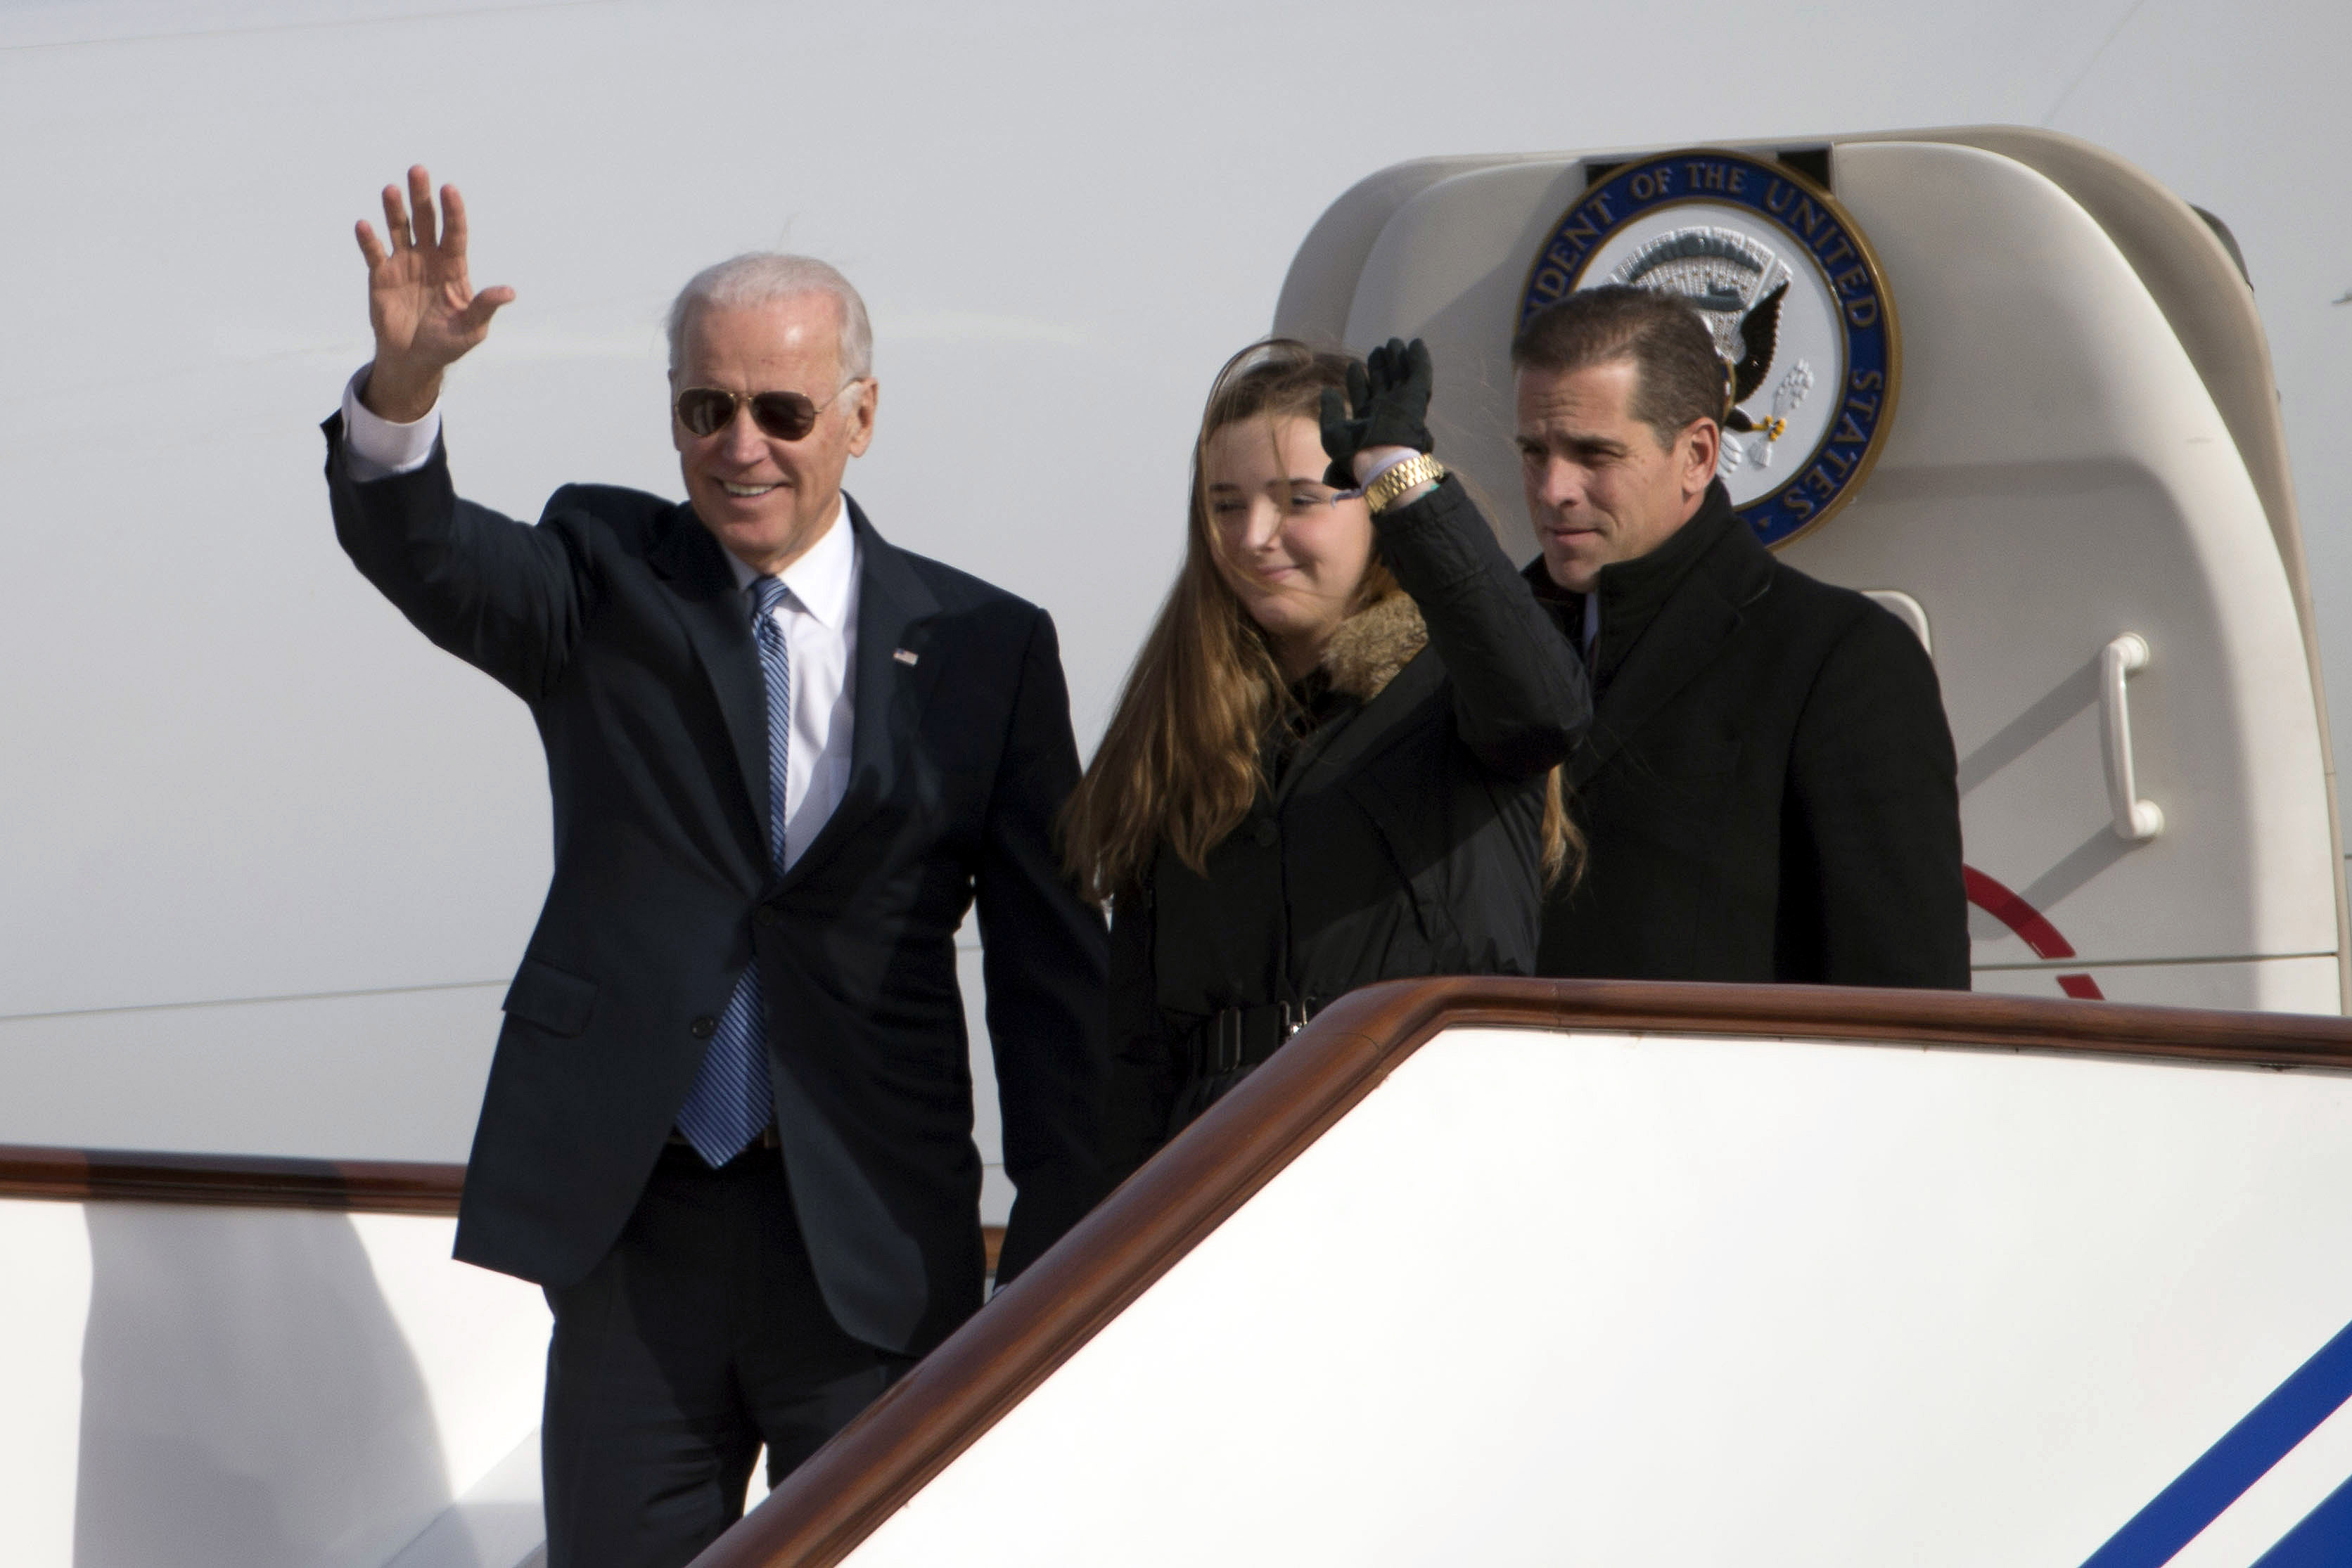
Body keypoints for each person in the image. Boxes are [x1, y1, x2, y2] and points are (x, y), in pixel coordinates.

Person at [322, 168, 1108, 1568]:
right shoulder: (604, 576)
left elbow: (1052, 981)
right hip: (638, 1230)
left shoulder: (988, 646)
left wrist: (1056, 1253)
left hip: (872, 1241)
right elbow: (421, 546)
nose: (741, 445)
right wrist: (402, 384)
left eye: (782, 411)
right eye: (706, 408)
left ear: (860, 419)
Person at [1066, 340, 1590, 1176]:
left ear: (1374, 512)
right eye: (1225, 504)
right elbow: (1136, 1050)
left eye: (1298, 500)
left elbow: (1545, 710)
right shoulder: (1178, 724)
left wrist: (1400, 475)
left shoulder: (1458, 683)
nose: (1253, 537)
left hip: (1426, 1137)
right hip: (1217, 1164)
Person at [1511, 285, 1968, 986]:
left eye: (1592, 455)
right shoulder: (1481, 648)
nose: (1552, 489)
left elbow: (1904, 1001)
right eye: (1533, 452)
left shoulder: (1836, 657)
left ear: (1696, 455)